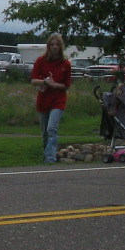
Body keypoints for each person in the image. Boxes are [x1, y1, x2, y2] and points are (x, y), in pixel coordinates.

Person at [30, 33, 71, 164]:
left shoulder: (66, 64)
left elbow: (66, 85)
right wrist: (45, 82)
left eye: (57, 45)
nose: (54, 47)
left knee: (51, 128)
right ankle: (46, 153)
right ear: (48, 46)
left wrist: (55, 85)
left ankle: (50, 159)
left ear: (61, 47)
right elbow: (33, 80)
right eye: (52, 44)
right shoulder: (41, 61)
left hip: (58, 100)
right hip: (43, 100)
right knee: (45, 132)